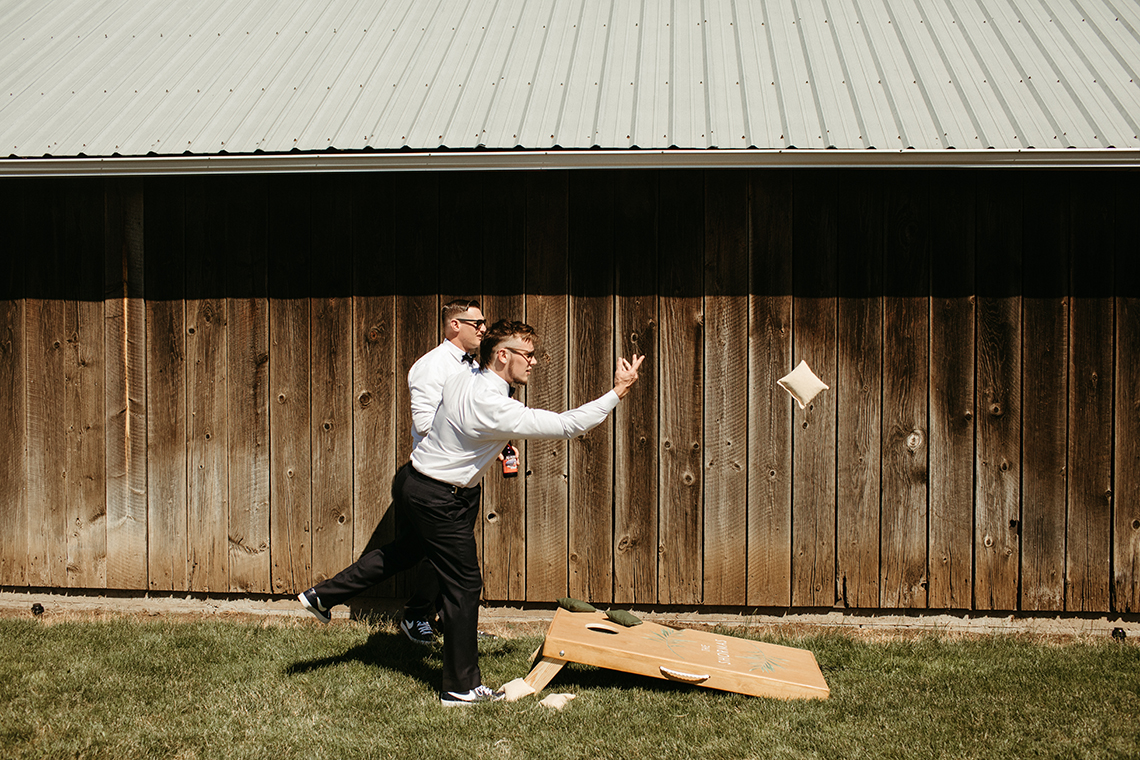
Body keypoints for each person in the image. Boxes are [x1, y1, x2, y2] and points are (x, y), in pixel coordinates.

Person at [298, 319, 644, 706]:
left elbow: (463, 427)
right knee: (464, 585)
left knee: (407, 552)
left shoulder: (463, 375)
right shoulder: (494, 405)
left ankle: (321, 596)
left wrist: (491, 444)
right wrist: (620, 389)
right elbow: (568, 425)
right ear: (502, 355)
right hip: (440, 498)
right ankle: (460, 687)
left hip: (416, 482)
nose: (533, 362)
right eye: (527, 355)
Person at [396, 299, 487, 645]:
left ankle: (454, 622)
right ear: (454, 325)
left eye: (482, 323)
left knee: (457, 556)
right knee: (440, 556)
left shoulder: (472, 366)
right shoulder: (431, 367)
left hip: (465, 476)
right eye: (475, 323)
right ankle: (416, 615)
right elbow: (424, 422)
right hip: (437, 480)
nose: (482, 329)